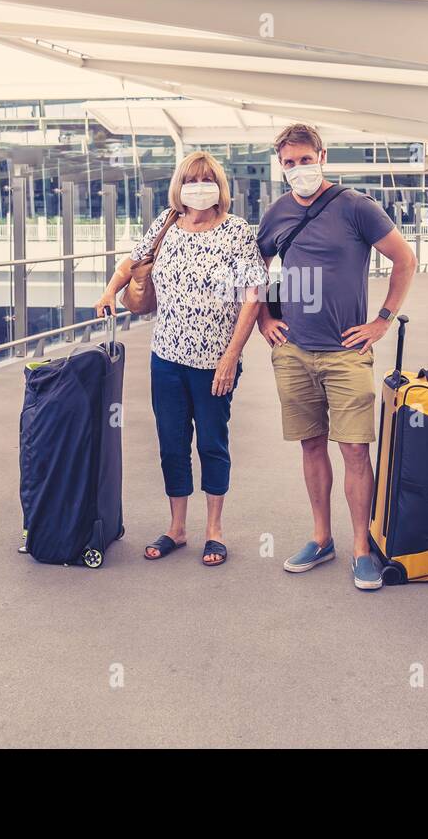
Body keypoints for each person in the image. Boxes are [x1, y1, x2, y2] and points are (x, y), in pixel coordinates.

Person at [256, 123, 417, 590]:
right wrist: (267, 319)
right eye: (289, 163)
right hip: (294, 351)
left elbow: (404, 260)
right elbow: (256, 266)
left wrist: (383, 319)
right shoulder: (278, 212)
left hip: (346, 352)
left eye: (306, 160)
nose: (298, 169)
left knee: (353, 450)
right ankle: (321, 538)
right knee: (311, 444)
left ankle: (362, 548)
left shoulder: (355, 206)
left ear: (322, 156)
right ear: (280, 166)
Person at [95, 151, 266, 567]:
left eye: (207, 179)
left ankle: (214, 531)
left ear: (220, 186)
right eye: (191, 179)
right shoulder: (167, 222)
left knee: (212, 442)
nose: (199, 186)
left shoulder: (237, 231)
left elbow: (253, 295)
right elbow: (132, 261)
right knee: (172, 444)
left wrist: (231, 357)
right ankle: (177, 528)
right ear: (179, 185)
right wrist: (109, 291)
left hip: (214, 361)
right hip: (166, 357)